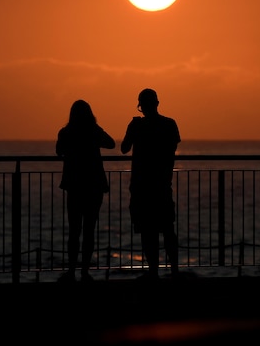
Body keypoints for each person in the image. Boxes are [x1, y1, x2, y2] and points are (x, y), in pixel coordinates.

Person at [121, 88, 180, 281]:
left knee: (148, 231)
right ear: (157, 104)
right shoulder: (170, 124)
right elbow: (172, 149)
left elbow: (123, 148)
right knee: (168, 228)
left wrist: (133, 128)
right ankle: (174, 271)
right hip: (162, 183)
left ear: (141, 106)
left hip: (141, 185)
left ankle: (153, 271)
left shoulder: (137, 126)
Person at [56, 99, 116, 283]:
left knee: (74, 230)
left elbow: (59, 151)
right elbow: (111, 144)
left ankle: (72, 271)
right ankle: (85, 272)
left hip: (74, 185)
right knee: (90, 229)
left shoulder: (66, 132)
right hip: (93, 185)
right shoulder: (94, 130)